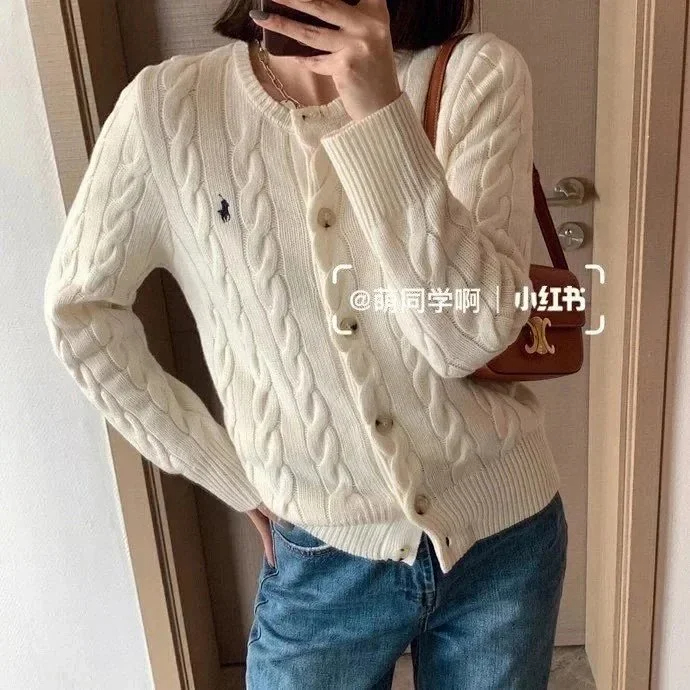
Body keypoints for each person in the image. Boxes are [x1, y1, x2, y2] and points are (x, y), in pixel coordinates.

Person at [43, 0, 568, 687]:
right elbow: (82, 313)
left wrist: (381, 114)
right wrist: (221, 469)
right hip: (320, 559)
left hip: (504, 542)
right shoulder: (168, 109)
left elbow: (465, 339)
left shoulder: (476, 74)